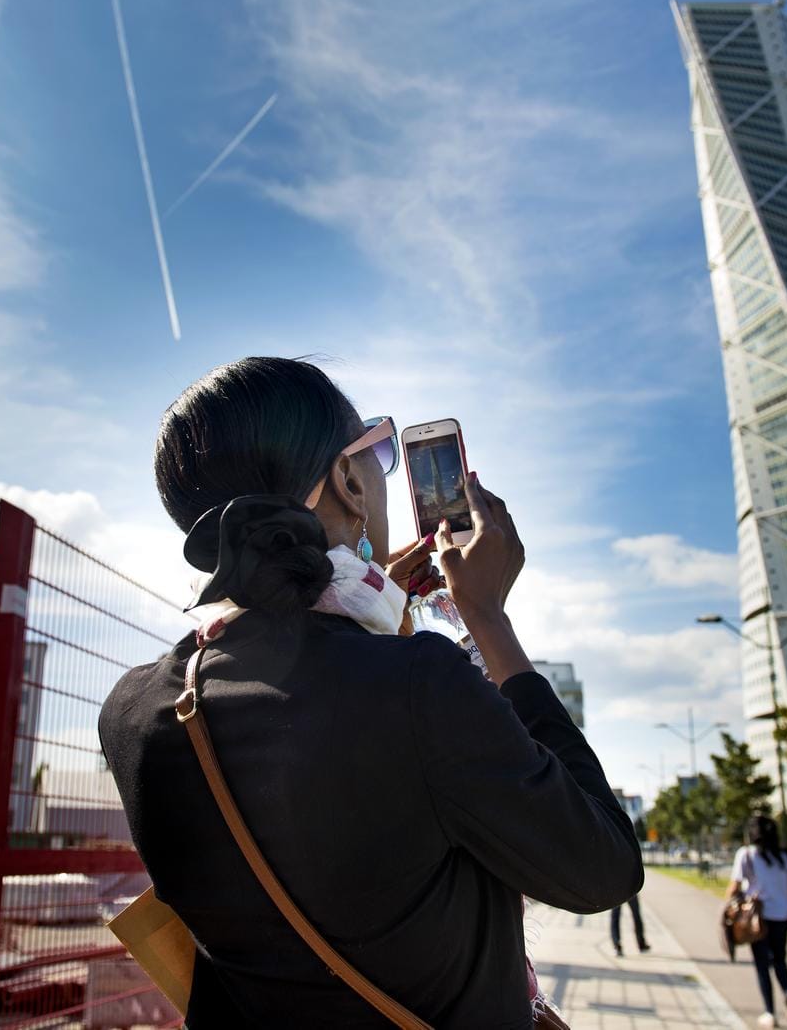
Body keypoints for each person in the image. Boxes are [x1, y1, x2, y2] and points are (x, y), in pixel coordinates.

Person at [100, 357, 643, 1027]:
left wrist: (375, 605)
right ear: (349, 481)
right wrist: (487, 618)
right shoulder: (419, 683)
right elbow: (603, 867)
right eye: (378, 454)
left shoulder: (132, 713)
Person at [725, 815, 787, 1028]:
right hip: (782, 915)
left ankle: (770, 1012)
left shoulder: (746, 854)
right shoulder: (783, 856)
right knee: (780, 959)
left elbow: (734, 887)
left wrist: (731, 904)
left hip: (757, 918)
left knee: (762, 965)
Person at [609, 892, 649, 957]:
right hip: (629, 890)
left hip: (617, 891)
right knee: (636, 914)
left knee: (616, 916)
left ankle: (617, 945)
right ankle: (641, 943)